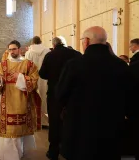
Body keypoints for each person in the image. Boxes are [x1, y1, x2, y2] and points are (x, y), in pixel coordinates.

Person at [56, 26, 136, 160]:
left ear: (86, 41)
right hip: (111, 131)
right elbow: (131, 98)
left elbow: (60, 94)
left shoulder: (74, 64)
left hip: (80, 130)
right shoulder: (121, 65)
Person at [0, 40, 40, 160]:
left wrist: (20, 77)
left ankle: (19, 154)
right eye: (10, 49)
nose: (12, 51)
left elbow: (34, 81)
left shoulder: (29, 64)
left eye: (14, 49)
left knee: (19, 129)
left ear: (20, 49)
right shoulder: (3, 65)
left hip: (23, 102)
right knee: (9, 131)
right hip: (7, 102)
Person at [39, 37, 81, 160]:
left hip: (54, 93)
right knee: (71, 120)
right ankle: (70, 149)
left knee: (55, 122)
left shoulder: (50, 55)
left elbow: (43, 74)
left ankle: (53, 151)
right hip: (72, 95)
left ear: (53, 44)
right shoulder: (76, 54)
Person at [25, 36, 50, 127]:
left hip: (33, 78)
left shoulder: (29, 52)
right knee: (44, 97)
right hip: (44, 77)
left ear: (32, 43)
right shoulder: (47, 51)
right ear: (41, 41)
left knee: (33, 97)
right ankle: (44, 121)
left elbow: (27, 66)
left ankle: (34, 120)